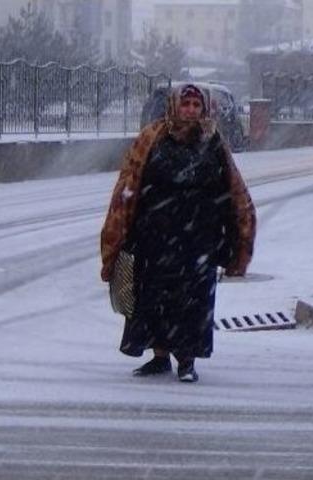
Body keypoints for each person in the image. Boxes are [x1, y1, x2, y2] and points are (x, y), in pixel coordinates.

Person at [100, 84, 256, 383]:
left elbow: (234, 190)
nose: (191, 111)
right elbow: (129, 185)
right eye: (185, 105)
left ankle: (187, 360)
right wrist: (119, 233)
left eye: (196, 106)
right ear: (174, 107)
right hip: (155, 237)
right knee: (154, 297)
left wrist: (238, 236)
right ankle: (159, 356)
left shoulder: (213, 142)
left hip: (198, 238)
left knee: (193, 300)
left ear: (204, 109)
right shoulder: (152, 138)